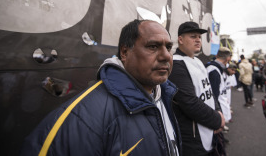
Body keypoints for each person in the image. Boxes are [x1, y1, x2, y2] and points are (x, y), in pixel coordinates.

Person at [20, 20, 181, 156]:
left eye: (168, 47)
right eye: (153, 46)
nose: (166, 55)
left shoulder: (165, 96)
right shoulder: (83, 118)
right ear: (124, 52)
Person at [168, 21, 224, 156]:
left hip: (209, 130)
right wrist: (217, 120)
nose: (198, 39)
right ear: (180, 39)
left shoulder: (198, 61)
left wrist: (218, 111)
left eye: (199, 36)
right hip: (193, 142)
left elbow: (209, 92)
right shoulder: (176, 64)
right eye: (193, 36)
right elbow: (189, 102)